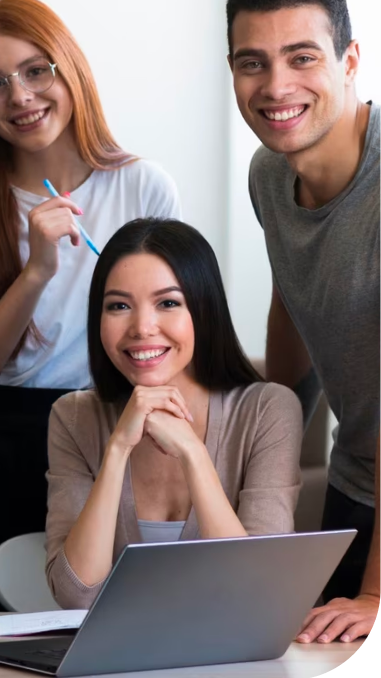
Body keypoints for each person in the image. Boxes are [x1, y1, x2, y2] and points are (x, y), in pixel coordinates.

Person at [0, 0, 181, 610]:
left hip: (98, 438)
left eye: (35, 70)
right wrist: (35, 273)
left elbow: (175, 341)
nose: (20, 96)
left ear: (68, 67)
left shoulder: (142, 185)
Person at [227, 0, 379, 643]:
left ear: (350, 60)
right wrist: (266, 447)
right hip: (358, 477)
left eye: (301, 57)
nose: (276, 85)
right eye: (252, 62)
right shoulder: (269, 175)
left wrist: (375, 593)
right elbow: (291, 300)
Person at [45, 218, 303, 609]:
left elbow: (254, 594)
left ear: (204, 309)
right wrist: (117, 450)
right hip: (122, 665)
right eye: (118, 306)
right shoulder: (73, 417)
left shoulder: (268, 410)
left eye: (168, 303)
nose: (142, 328)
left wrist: (193, 454)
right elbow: (76, 595)